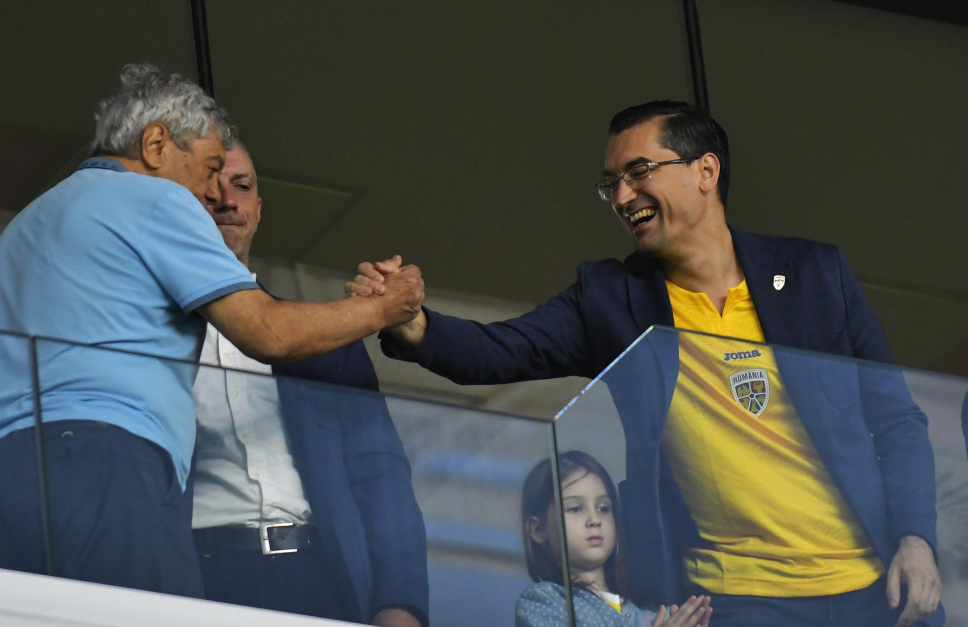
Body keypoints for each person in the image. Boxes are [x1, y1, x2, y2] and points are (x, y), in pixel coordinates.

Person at [349, 101, 941, 626]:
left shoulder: (815, 273)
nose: (623, 197)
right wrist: (412, 323)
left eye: (639, 172)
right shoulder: (611, 298)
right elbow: (496, 351)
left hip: (877, 588)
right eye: (612, 185)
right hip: (735, 603)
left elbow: (897, 422)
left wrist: (917, 541)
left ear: (706, 171)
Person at [0, 63, 423, 597]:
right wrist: (384, 309)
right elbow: (268, 333)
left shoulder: (5, 245)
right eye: (210, 166)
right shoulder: (155, 198)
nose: (211, 192)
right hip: (105, 468)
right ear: (156, 144)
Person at [191, 144, 428, 626]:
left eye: (242, 186)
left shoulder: (327, 337)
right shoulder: (141, 339)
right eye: (209, 186)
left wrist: (400, 607)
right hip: (197, 578)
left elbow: (381, 477)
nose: (226, 200)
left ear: (258, 210)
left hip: (320, 577)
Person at [517, 451, 711, 627]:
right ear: (538, 529)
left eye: (604, 508)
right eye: (575, 508)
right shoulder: (543, 601)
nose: (595, 520)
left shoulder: (646, 611)